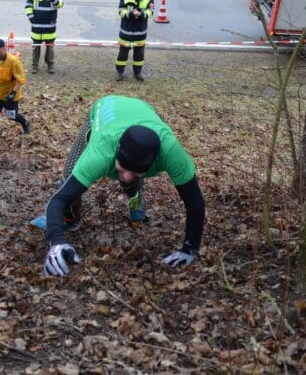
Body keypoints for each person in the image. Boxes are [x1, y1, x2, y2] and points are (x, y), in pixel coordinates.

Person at [39, 95, 206, 277]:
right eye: (123, 167)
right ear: (116, 153)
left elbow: (194, 202)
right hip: (104, 108)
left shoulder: (172, 153)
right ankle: (71, 219)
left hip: (142, 108)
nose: (126, 177)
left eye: (137, 172)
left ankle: (135, 195)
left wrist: (190, 248)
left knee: (129, 181)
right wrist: (56, 241)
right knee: (68, 178)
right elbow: (59, 198)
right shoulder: (101, 151)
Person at [0, 37, 31, 142]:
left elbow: (21, 79)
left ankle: (25, 122)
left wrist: (13, 93)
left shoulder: (14, 61)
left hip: (10, 94)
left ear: (4, 49)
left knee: (12, 116)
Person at [115, 0, 155, 82]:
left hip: (140, 33)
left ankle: (137, 73)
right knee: (122, 55)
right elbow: (121, 10)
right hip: (126, 32)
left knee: (139, 55)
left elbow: (151, 12)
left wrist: (141, 14)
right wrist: (130, 14)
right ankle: (120, 73)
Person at [25, 0, 64, 74]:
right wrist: (32, 19)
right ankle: (34, 66)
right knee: (36, 47)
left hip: (50, 27)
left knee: (50, 47)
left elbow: (60, 4)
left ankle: (50, 65)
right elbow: (28, 6)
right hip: (36, 27)